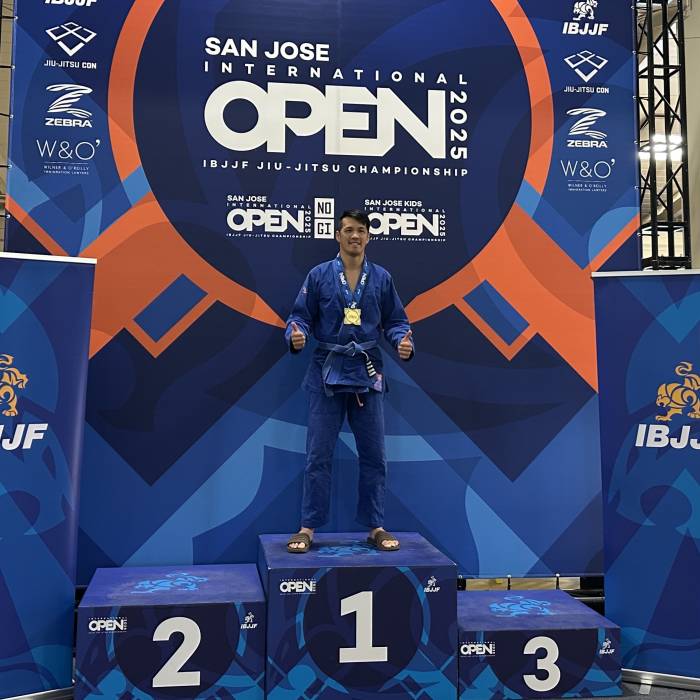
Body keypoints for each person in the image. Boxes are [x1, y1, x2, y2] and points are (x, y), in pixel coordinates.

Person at [285, 209, 414, 553]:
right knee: (318, 455)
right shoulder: (318, 275)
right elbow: (299, 317)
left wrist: (403, 341)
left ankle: (375, 526)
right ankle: (307, 528)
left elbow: (396, 321)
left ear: (368, 236)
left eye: (361, 230)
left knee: (374, 456)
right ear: (337, 235)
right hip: (326, 374)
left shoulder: (382, 278)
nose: (355, 236)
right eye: (348, 230)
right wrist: (296, 334)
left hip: (367, 373)